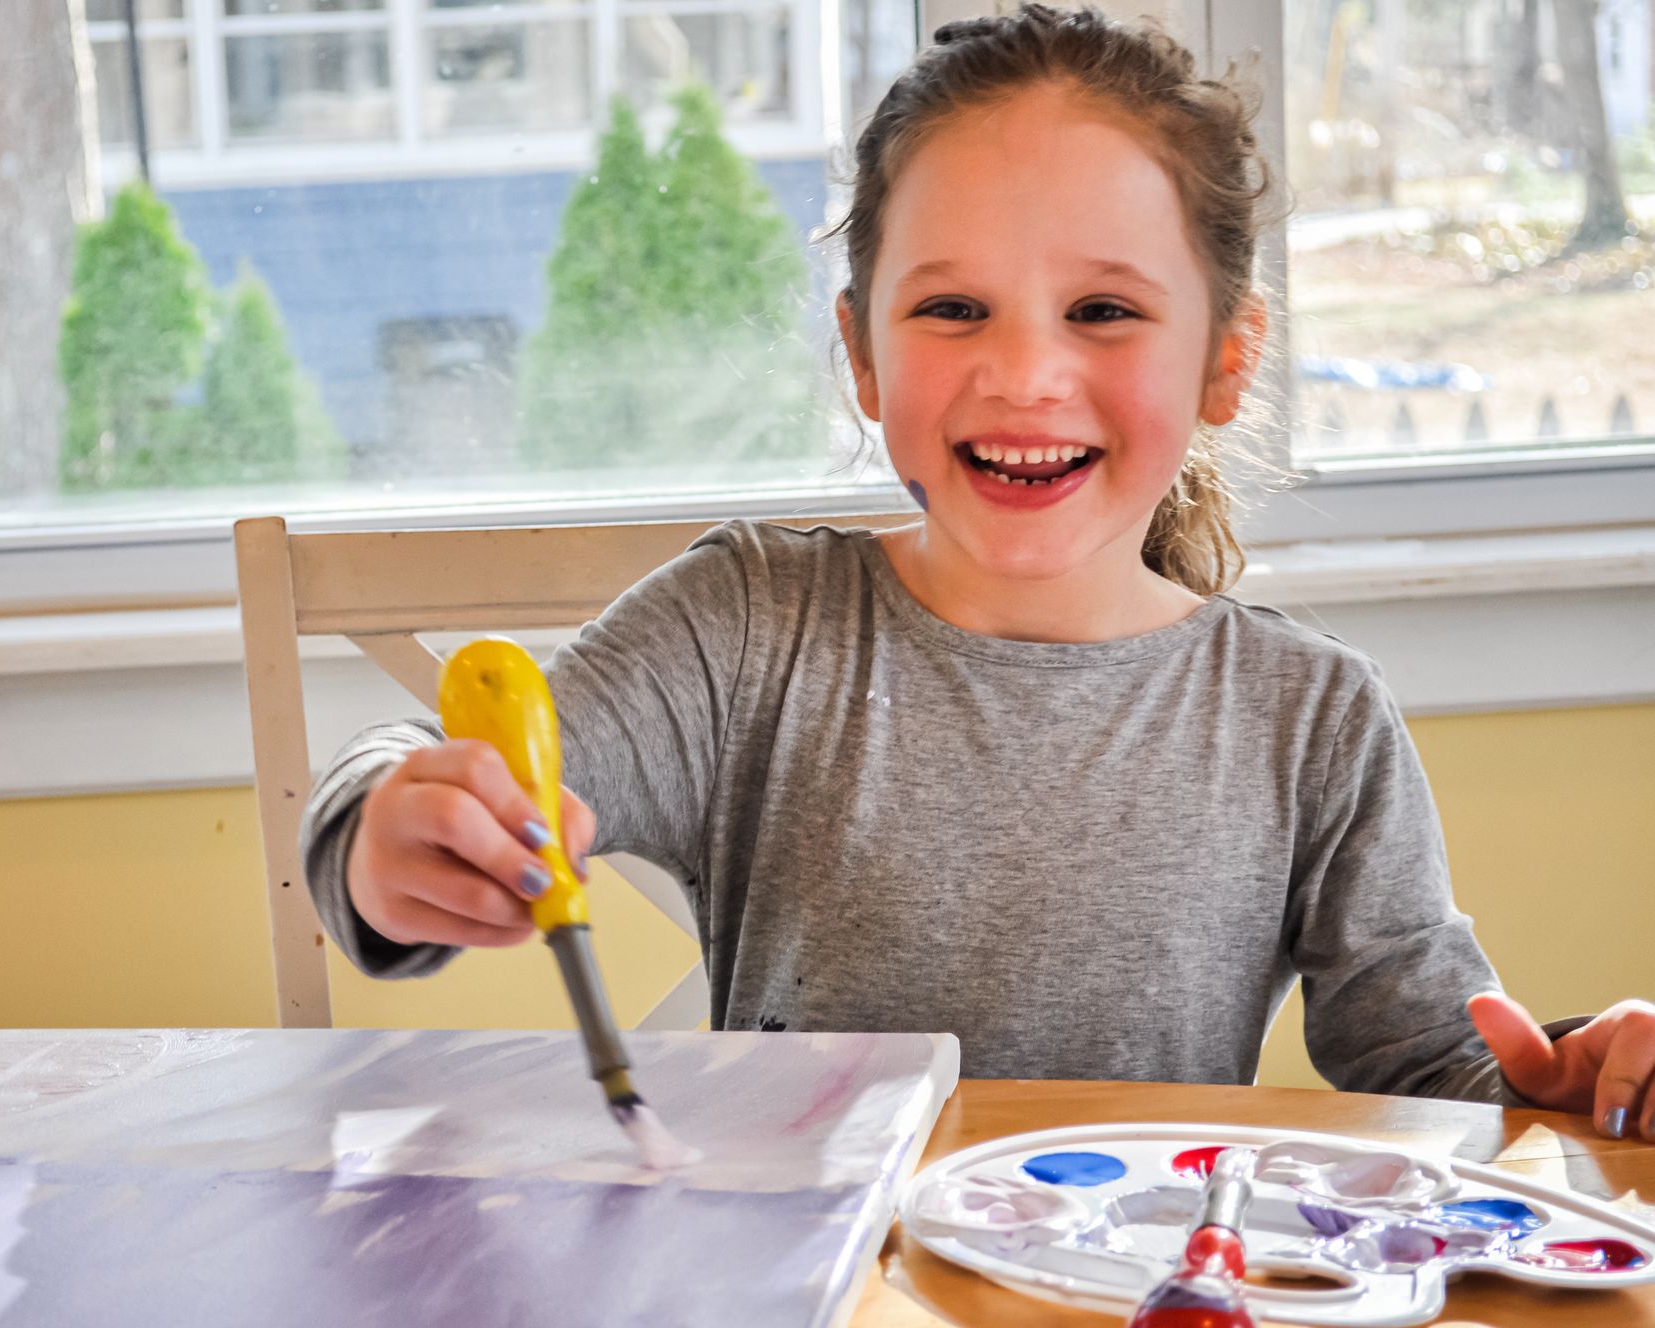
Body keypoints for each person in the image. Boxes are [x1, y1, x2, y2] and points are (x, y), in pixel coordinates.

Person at [302, 3, 1653, 1139]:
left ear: (1225, 360)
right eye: (953, 308)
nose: (1023, 374)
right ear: (864, 356)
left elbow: (1439, 1071)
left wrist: (1586, 1081)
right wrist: (386, 838)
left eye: (1105, 311)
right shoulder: (749, 624)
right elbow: (448, 780)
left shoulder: (1314, 719)